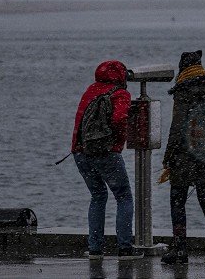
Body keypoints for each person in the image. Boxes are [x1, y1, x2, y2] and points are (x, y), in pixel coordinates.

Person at [72, 59, 142, 260]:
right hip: (106, 152)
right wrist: (118, 140)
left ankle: (95, 249)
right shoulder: (120, 94)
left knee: (98, 196)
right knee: (123, 197)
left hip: (80, 152)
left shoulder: (90, 91)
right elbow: (120, 118)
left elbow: (80, 121)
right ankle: (125, 248)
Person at [161, 50, 205, 264]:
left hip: (184, 158)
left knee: (177, 201)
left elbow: (177, 128)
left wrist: (168, 157)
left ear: (182, 68)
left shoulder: (183, 91)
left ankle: (180, 249)